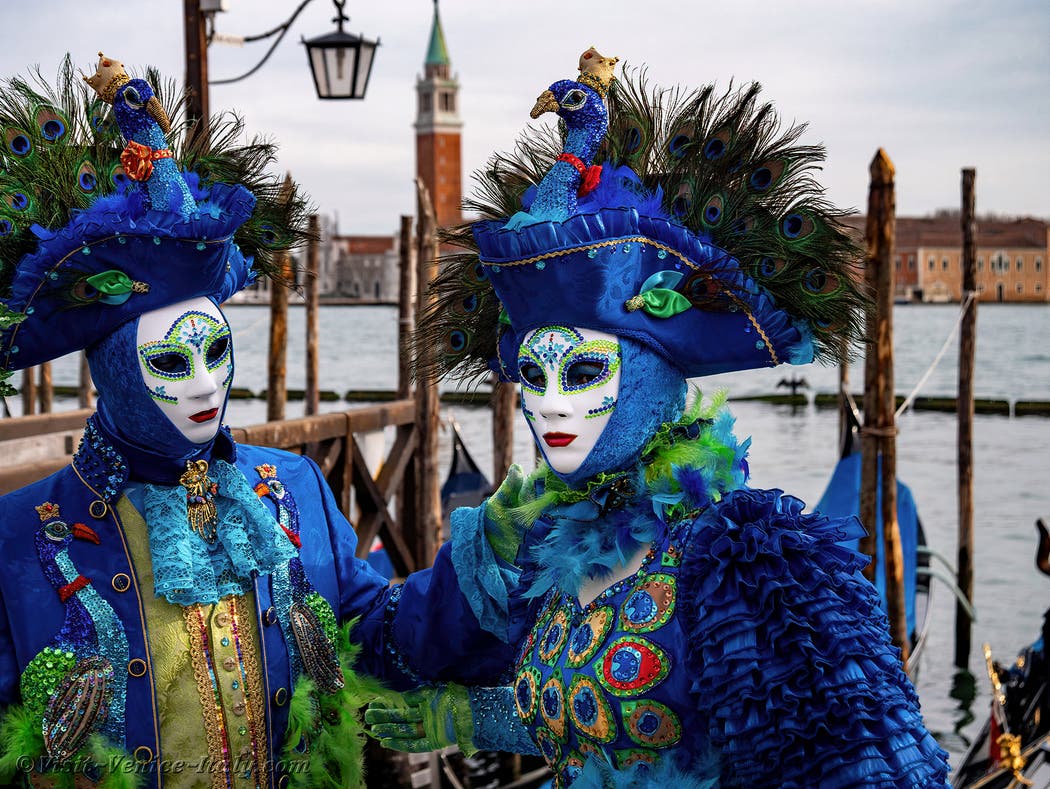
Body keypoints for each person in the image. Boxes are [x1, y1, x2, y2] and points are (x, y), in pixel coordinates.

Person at [366, 49, 953, 787]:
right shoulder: (557, 543)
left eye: (583, 372)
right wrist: (463, 714)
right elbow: (594, 714)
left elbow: (865, 769)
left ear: (652, 365)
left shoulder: (749, 564)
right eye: (533, 376)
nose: (549, 402)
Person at [0, 55, 525, 789]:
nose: (209, 382)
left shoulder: (296, 487)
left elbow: (373, 636)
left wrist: (488, 567)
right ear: (113, 365)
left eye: (216, 350)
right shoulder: (19, 536)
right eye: (171, 364)